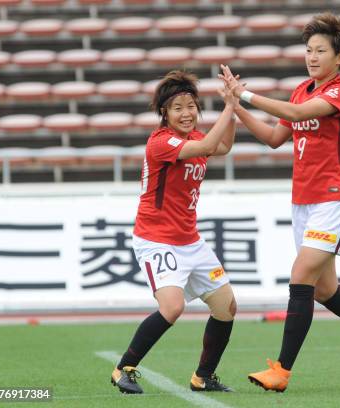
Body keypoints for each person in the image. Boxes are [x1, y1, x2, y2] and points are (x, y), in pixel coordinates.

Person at [219, 12, 340, 392]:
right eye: (308, 50)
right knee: (324, 291)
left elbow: (299, 115)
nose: (312, 56)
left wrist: (247, 94)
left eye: (321, 50)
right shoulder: (301, 89)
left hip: (336, 199)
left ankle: (281, 371)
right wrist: (236, 108)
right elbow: (274, 137)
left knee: (300, 278)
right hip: (303, 201)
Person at [109, 70, 238, 394]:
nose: (186, 113)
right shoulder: (161, 142)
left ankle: (203, 376)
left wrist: (231, 110)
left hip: (189, 240)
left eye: (191, 106)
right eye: (178, 107)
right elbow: (212, 142)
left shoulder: (195, 138)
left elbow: (222, 145)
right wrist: (230, 105)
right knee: (172, 307)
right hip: (156, 239)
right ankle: (123, 368)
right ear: (164, 113)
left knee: (227, 307)